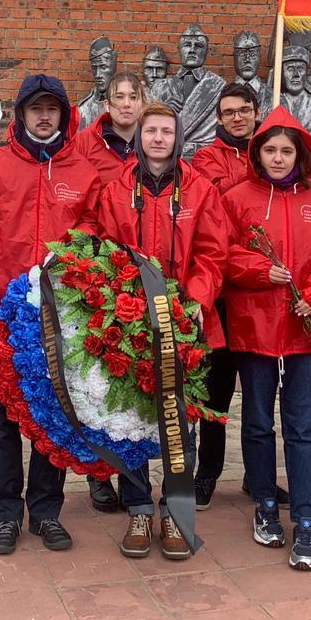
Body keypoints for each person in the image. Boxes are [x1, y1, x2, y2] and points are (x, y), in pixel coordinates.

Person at [0, 75, 100, 555]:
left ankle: (45, 510)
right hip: (4, 314)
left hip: (60, 319)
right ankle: (5, 512)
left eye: (52, 109)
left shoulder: (83, 172)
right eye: (35, 109)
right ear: (20, 115)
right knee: (1, 417)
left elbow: (91, 240)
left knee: (53, 414)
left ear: (63, 115)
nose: (44, 117)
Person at [222, 107, 311, 571]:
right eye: (270, 150)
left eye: (286, 150)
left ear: (300, 153)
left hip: (306, 334)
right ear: (258, 153)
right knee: (257, 423)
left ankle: (304, 523)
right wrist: (261, 271)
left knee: (304, 429)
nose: (278, 158)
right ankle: (263, 504)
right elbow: (222, 254)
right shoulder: (236, 198)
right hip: (255, 329)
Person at [96, 102, 229, 560]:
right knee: (131, 419)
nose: (157, 138)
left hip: (183, 322)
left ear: (177, 138)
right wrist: (118, 303)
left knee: (180, 420)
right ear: (138, 136)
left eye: (166, 131)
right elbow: (103, 251)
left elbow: (214, 253)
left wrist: (194, 299)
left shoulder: (200, 191)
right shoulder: (115, 190)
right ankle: (136, 507)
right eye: (150, 130)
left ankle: (174, 511)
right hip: (130, 319)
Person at [190, 81, 287, 509]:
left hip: (264, 297)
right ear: (218, 116)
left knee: (260, 396)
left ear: (255, 111)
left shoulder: (275, 152)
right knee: (215, 393)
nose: (236, 117)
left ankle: (258, 476)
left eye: (244, 110)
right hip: (222, 296)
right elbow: (215, 211)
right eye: (228, 111)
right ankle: (207, 472)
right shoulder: (205, 160)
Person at [73, 70, 146, 512]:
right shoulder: (86, 144)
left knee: (135, 378)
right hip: (99, 273)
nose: (124, 104)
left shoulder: (156, 140)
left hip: (145, 272)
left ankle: (133, 470)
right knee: (99, 377)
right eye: (117, 96)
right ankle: (99, 474)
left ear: (143, 101)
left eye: (132, 96)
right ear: (107, 101)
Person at [161, 23, 225, 157]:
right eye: (187, 45)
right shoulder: (160, 87)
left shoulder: (218, 86)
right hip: (168, 158)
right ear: (179, 49)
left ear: (206, 52)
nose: (192, 50)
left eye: (199, 46)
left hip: (205, 158)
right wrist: (162, 112)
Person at [76, 36, 118, 130]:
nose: (98, 74)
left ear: (113, 65)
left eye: (103, 67)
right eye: (94, 68)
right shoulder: (84, 109)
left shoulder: (127, 104)